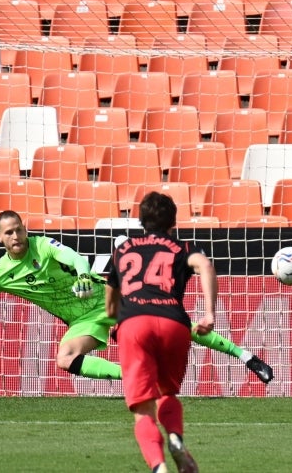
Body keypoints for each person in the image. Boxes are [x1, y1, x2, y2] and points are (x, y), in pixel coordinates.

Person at [0, 210, 273, 386]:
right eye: (7, 233)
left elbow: (74, 258)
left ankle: (246, 356)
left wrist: (80, 275)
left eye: (19, 230)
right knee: (65, 358)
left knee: (178, 325)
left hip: (109, 299)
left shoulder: (43, 246)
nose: (15, 237)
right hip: (84, 320)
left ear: (25, 230)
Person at [106, 192, 212, 473]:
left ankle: (159, 467)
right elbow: (205, 265)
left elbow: (110, 299)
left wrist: (114, 319)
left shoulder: (123, 249)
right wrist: (210, 313)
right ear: (173, 223)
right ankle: (175, 437)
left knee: (143, 410)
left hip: (134, 325)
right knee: (167, 394)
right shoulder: (181, 246)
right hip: (174, 324)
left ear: (141, 220)